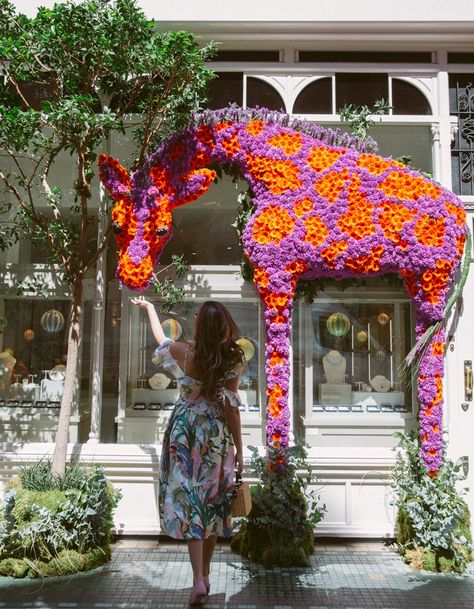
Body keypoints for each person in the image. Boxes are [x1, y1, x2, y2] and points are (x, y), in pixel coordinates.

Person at [131, 297, 244, 606]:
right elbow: (232, 409)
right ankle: (205, 575)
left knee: (190, 499)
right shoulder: (233, 358)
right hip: (214, 433)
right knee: (210, 501)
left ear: (199, 325)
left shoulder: (183, 352)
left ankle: (197, 579)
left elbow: (161, 338)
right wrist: (241, 451)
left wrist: (151, 309)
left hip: (184, 431)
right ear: (225, 325)